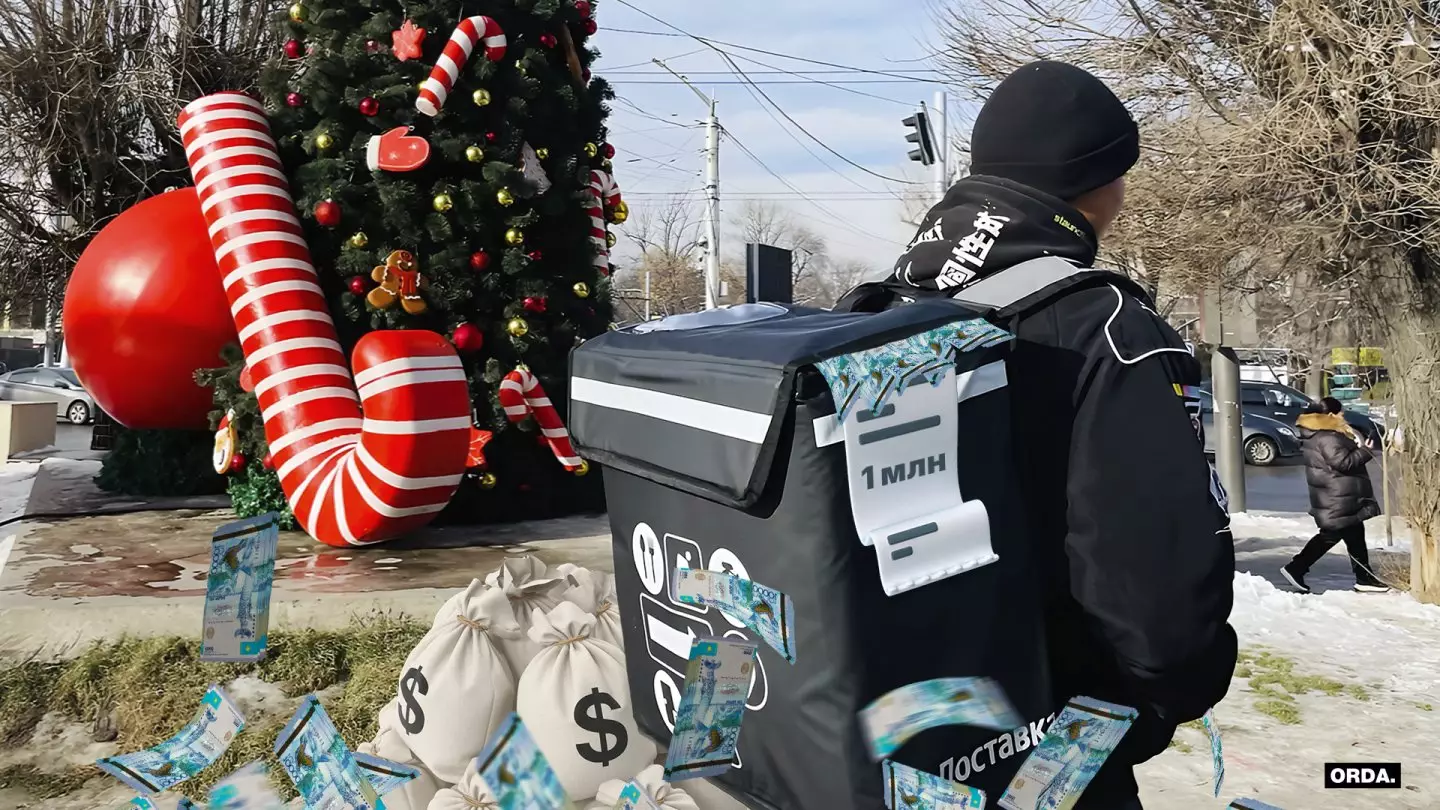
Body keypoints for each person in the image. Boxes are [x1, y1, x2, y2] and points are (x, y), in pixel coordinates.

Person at [836, 61, 1237, 808]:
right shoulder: (1106, 328)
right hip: (1052, 745)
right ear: (1099, 182)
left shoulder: (877, 310)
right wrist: (1164, 697)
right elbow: (1157, 583)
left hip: (896, 732)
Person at [1281, 397, 1387, 593]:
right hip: (1338, 495)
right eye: (1340, 413)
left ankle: (1364, 577)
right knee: (1331, 535)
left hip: (1339, 493)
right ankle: (1296, 568)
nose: (1343, 416)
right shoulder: (1328, 437)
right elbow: (1342, 463)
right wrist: (1365, 451)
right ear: (1330, 415)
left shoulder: (1317, 434)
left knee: (1355, 534)